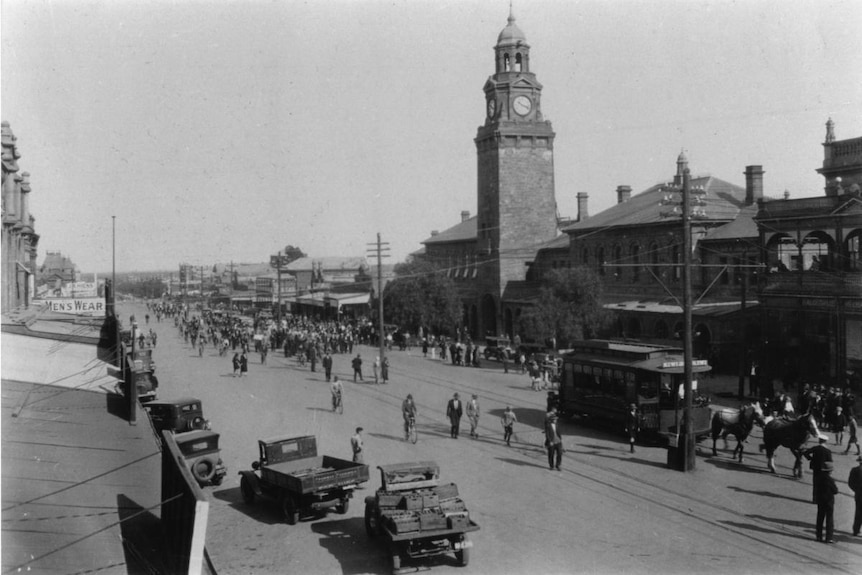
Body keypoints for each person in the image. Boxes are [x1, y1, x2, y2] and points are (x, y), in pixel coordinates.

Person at [804, 434, 833, 503]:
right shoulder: (828, 451)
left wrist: (811, 459)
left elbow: (805, 453)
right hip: (824, 469)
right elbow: (830, 461)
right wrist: (830, 470)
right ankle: (821, 499)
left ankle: (815, 499)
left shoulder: (815, 448)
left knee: (815, 484)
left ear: (819, 440)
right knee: (822, 484)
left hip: (815, 468)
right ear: (825, 441)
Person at [814, 461, 838, 543]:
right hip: (829, 501)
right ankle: (829, 537)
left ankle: (818, 536)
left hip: (820, 500)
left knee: (820, 518)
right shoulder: (830, 479)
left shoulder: (818, 478)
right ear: (829, 471)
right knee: (829, 519)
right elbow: (835, 491)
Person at [849, 455, 862, 536]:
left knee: (858, 513)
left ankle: (856, 530)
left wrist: (856, 490)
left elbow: (850, 483)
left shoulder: (854, 470)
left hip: (859, 495)